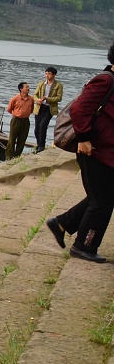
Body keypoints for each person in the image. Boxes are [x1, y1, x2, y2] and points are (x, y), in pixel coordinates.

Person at [47, 43, 114, 263]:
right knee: (101, 203)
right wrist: (84, 137)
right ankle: (84, 245)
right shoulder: (105, 81)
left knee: (102, 197)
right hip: (93, 150)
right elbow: (79, 109)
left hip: (107, 152)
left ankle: (62, 223)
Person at [33, 67, 64, 153]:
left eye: (49, 74)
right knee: (36, 129)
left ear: (54, 75)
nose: (47, 75)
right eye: (46, 73)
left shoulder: (58, 85)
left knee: (43, 126)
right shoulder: (41, 84)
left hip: (49, 108)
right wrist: (37, 100)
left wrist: (48, 99)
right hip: (40, 107)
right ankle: (39, 144)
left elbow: (59, 98)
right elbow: (35, 94)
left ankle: (41, 146)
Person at [6, 82, 34, 157]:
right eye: (26, 87)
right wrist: (17, 114)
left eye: (28, 87)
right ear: (21, 89)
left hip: (25, 121)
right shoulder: (15, 99)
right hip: (16, 120)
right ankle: (9, 156)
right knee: (12, 139)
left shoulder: (31, 99)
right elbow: (9, 109)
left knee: (22, 139)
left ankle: (17, 156)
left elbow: (31, 110)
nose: (28, 88)